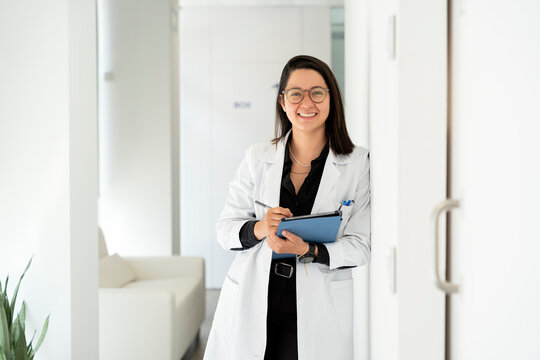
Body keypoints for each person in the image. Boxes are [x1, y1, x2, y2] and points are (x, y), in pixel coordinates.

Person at [203, 55, 371, 360]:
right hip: (254, 303)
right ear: (283, 102)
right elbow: (225, 230)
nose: (306, 102)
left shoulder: (357, 163)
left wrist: (309, 250)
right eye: (296, 93)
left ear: (331, 99)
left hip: (318, 310)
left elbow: (361, 246)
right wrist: (259, 227)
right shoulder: (257, 157)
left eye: (317, 92)